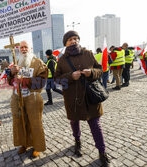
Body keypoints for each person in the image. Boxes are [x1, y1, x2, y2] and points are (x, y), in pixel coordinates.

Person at [54, 31, 110, 166]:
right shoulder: (61, 60)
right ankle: (77, 142)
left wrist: (92, 73)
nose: (73, 41)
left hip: (90, 97)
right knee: (74, 122)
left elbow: (100, 70)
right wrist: (70, 77)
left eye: (75, 39)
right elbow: (56, 79)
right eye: (70, 40)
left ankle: (102, 152)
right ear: (65, 43)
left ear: (78, 40)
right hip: (72, 98)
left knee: (96, 125)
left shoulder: (88, 54)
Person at [8, 41, 48, 158]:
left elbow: (42, 81)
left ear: (30, 48)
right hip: (17, 97)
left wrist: (25, 81)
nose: (23, 49)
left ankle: (37, 146)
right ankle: (24, 144)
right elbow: (10, 82)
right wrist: (11, 73)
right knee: (20, 122)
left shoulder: (37, 63)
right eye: (21, 47)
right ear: (19, 50)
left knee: (35, 123)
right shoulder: (16, 63)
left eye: (26, 47)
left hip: (32, 97)